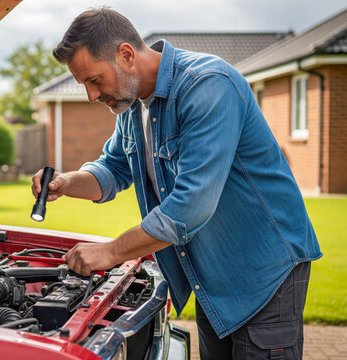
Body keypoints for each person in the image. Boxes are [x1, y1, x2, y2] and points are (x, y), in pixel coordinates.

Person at [31, 8, 322, 360]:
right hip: (214, 272)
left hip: (263, 271)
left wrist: (109, 252)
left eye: (94, 80)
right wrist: (66, 182)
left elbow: (191, 206)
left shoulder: (208, 85)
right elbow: (112, 169)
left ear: (125, 55)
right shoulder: (133, 106)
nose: (92, 96)